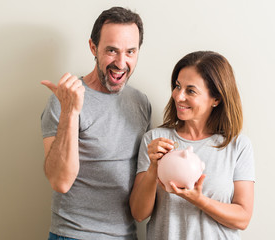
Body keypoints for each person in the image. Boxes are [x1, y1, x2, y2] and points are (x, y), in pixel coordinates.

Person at [41, 6, 152, 240]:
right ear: (93, 47)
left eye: (130, 52)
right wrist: (70, 112)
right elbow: (59, 181)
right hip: (73, 235)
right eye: (112, 50)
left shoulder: (141, 103)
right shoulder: (65, 98)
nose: (121, 63)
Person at [130, 51, 255, 240]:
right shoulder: (155, 140)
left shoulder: (237, 145)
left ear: (216, 99)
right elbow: (139, 214)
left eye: (190, 90)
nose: (178, 96)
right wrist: (153, 168)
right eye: (177, 86)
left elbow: (242, 219)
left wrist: (199, 200)